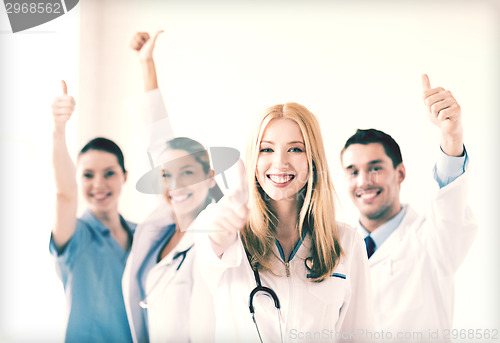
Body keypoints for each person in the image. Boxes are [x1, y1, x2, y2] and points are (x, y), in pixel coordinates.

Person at [192, 102, 373, 342]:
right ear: (253, 159)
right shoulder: (225, 229)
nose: (280, 162)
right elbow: (211, 240)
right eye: (266, 149)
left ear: (313, 160)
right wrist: (221, 231)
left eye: (296, 149)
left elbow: (358, 336)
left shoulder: (346, 241)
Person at [339, 74, 477, 340]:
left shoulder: (433, 239)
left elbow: (451, 205)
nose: (364, 181)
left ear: (400, 173)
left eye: (375, 168)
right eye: (353, 171)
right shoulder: (334, 247)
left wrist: (451, 136)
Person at [122, 31, 220, 343]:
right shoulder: (162, 228)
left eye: (188, 172)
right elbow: (155, 136)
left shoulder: (218, 236)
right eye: (167, 175)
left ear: (211, 177)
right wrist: (146, 63)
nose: (176, 184)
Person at [50, 81, 135, 342]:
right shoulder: (75, 235)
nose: (99, 184)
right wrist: (58, 129)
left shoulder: (142, 234)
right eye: (87, 175)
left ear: (125, 177)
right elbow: (65, 194)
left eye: (109, 173)